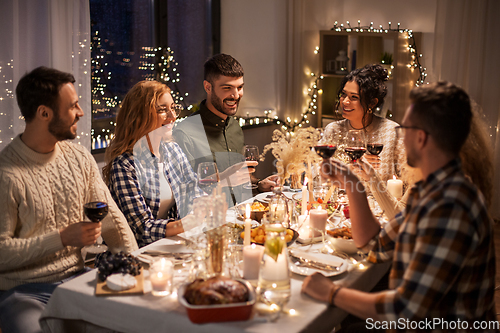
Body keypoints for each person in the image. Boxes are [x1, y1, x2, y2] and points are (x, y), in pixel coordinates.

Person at [302, 81, 496, 330]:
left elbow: (404, 312)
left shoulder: (451, 206)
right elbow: (375, 244)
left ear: (421, 137)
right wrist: (352, 183)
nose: (399, 135)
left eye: (404, 128)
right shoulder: (430, 190)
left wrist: (331, 292)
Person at [0, 66, 138, 333]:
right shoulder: (6, 174)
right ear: (44, 113)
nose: (81, 112)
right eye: (73, 106)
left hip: (79, 280)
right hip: (23, 292)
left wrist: (133, 263)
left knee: (135, 320)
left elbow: (112, 220)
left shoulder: (79, 158)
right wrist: (62, 238)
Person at [103, 80, 204, 248]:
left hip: (171, 244)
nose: (173, 116)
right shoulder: (124, 166)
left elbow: (194, 191)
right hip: (135, 256)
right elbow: (143, 230)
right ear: (140, 116)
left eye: (173, 107)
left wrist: (206, 205)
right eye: (162, 110)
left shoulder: (172, 150)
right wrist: (186, 223)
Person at [173, 54, 278, 206]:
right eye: (227, 88)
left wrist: (260, 184)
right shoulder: (184, 133)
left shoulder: (234, 126)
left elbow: (239, 178)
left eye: (240, 87)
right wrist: (223, 180)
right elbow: (184, 192)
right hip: (209, 221)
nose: (236, 95)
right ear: (208, 87)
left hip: (242, 215)